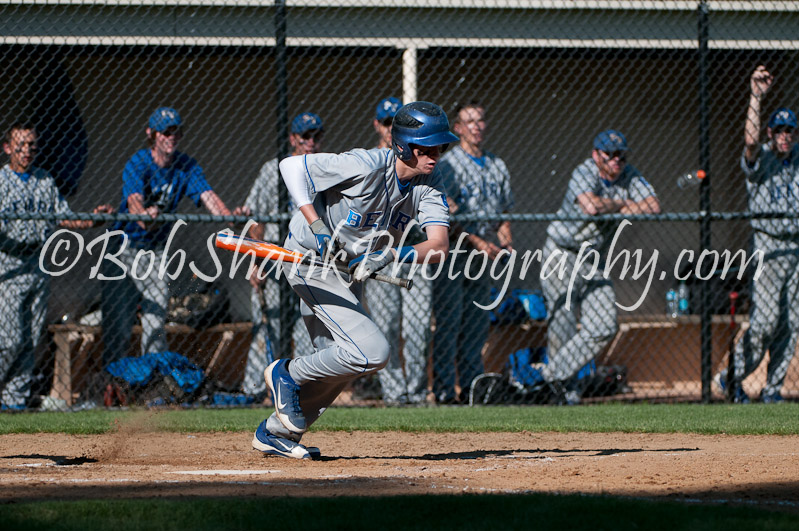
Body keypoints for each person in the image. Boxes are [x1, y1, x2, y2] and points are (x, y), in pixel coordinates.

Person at [252, 101, 454, 458]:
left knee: (339, 359)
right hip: (310, 261)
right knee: (372, 352)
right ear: (405, 146)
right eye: (429, 146)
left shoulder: (430, 182)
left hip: (346, 272)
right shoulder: (366, 164)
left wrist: (391, 255)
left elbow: (438, 246)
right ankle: (286, 372)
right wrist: (316, 225)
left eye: (441, 146)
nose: (437, 154)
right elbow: (291, 166)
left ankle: (275, 432)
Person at [101, 107, 233, 367]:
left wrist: (232, 220)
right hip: (123, 247)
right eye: (166, 132)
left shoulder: (186, 166)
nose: (172, 137)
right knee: (119, 319)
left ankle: (152, 372)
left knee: (156, 311)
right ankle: (113, 380)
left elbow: (209, 197)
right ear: (152, 135)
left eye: (177, 132)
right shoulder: (138, 162)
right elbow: (135, 204)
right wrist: (145, 215)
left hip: (155, 250)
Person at [0, 122, 114, 409]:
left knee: (30, 339)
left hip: (38, 264)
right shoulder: (0, 180)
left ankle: (14, 401)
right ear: (7, 147)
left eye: (32, 146)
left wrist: (94, 219)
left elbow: (65, 217)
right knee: (9, 340)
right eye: (20, 145)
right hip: (8, 265)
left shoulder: (44, 180)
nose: (27, 151)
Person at [541, 129, 660, 405]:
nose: (616, 160)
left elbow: (653, 206)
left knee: (604, 325)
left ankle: (553, 376)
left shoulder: (630, 174)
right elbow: (591, 206)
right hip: (562, 252)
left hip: (593, 257)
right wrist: (625, 205)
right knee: (563, 324)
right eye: (609, 154)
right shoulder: (584, 171)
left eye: (620, 155)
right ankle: (564, 393)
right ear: (596, 155)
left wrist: (621, 207)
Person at [715, 65, 799, 404]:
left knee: (791, 325)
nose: (784, 136)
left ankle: (773, 389)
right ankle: (731, 378)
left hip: (795, 248)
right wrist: (756, 96)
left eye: (789, 131)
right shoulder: (761, 156)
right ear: (770, 132)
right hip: (766, 245)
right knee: (764, 322)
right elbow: (749, 141)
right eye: (778, 130)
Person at [235, 112, 324, 401]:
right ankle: (252, 391)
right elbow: (256, 218)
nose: (311, 142)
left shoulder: (324, 169)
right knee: (267, 325)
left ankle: (301, 389)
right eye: (305, 136)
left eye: (316, 136)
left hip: (308, 259)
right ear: (292, 139)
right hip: (273, 256)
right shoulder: (273, 169)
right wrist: (255, 260)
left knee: (306, 327)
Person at [432, 101, 514, 404]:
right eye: (469, 121)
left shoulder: (497, 164)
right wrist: (481, 243)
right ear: (458, 128)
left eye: (480, 120)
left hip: (485, 256)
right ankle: (443, 391)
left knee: (477, 324)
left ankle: (470, 388)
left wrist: (506, 243)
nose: (476, 126)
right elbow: (447, 216)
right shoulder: (449, 165)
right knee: (450, 323)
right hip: (454, 254)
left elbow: (505, 211)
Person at [364, 97, 432, 406]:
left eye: (397, 122)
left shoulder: (422, 162)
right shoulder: (373, 162)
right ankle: (394, 392)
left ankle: (416, 393)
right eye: (387, 122)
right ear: (378, 126)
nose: (392, 128)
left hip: (415, 249)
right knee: (386, 323)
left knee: (418, 327)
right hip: (380, 251)